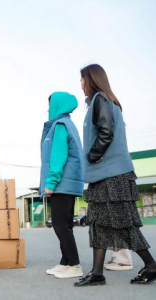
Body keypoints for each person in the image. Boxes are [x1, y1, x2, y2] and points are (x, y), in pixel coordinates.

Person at [75, 64, 156, 287]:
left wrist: (92, 156)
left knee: (124, 224)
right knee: (98, 225)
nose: (80, 84)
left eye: (82, 79)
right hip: (103, 176)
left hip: (114, 175)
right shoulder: (102, 101)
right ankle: (97, 273)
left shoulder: (101, 99)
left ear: (91, 79)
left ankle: (151, 265)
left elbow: (105, 132)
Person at [39, 92, 85, 279]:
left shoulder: (60, 126)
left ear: (58, 105)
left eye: (51, 105)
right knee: (65, 224)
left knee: (60, 225)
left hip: (62, 183)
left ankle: (74, 264)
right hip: (67, 183)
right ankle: (65, 262)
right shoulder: (66, 124)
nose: (48, 109)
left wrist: (51, 181)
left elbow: (58, 156)